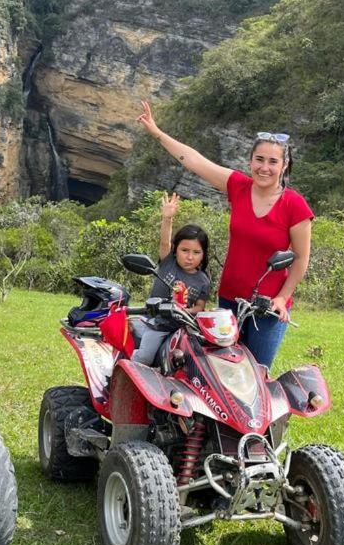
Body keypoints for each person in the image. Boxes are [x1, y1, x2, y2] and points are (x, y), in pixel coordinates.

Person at [136, 100, 313, 370]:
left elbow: (300, 259)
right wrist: (157, 132)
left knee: (257, 374)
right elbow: (195, 161)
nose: (265, 167)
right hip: (230, 299)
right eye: (259, 160)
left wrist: (282, 297)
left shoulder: (294, 205)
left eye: (273, 162)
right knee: (223, 370)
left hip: (266, 306)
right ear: (250, 161)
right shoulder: (239, 186)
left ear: (285, 165)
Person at [131, 192, 211, 366]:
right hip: (158, 325)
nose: (190, 257)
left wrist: (183, 311)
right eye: (185, 250)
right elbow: (165, 243)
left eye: (196, 252)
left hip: (184, 329)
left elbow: (199, 307)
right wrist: (167, 219)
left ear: (203, 255)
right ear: (176, 250)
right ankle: (126, 372)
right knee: (145, 357)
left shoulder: (203, 280)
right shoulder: (169, 263)